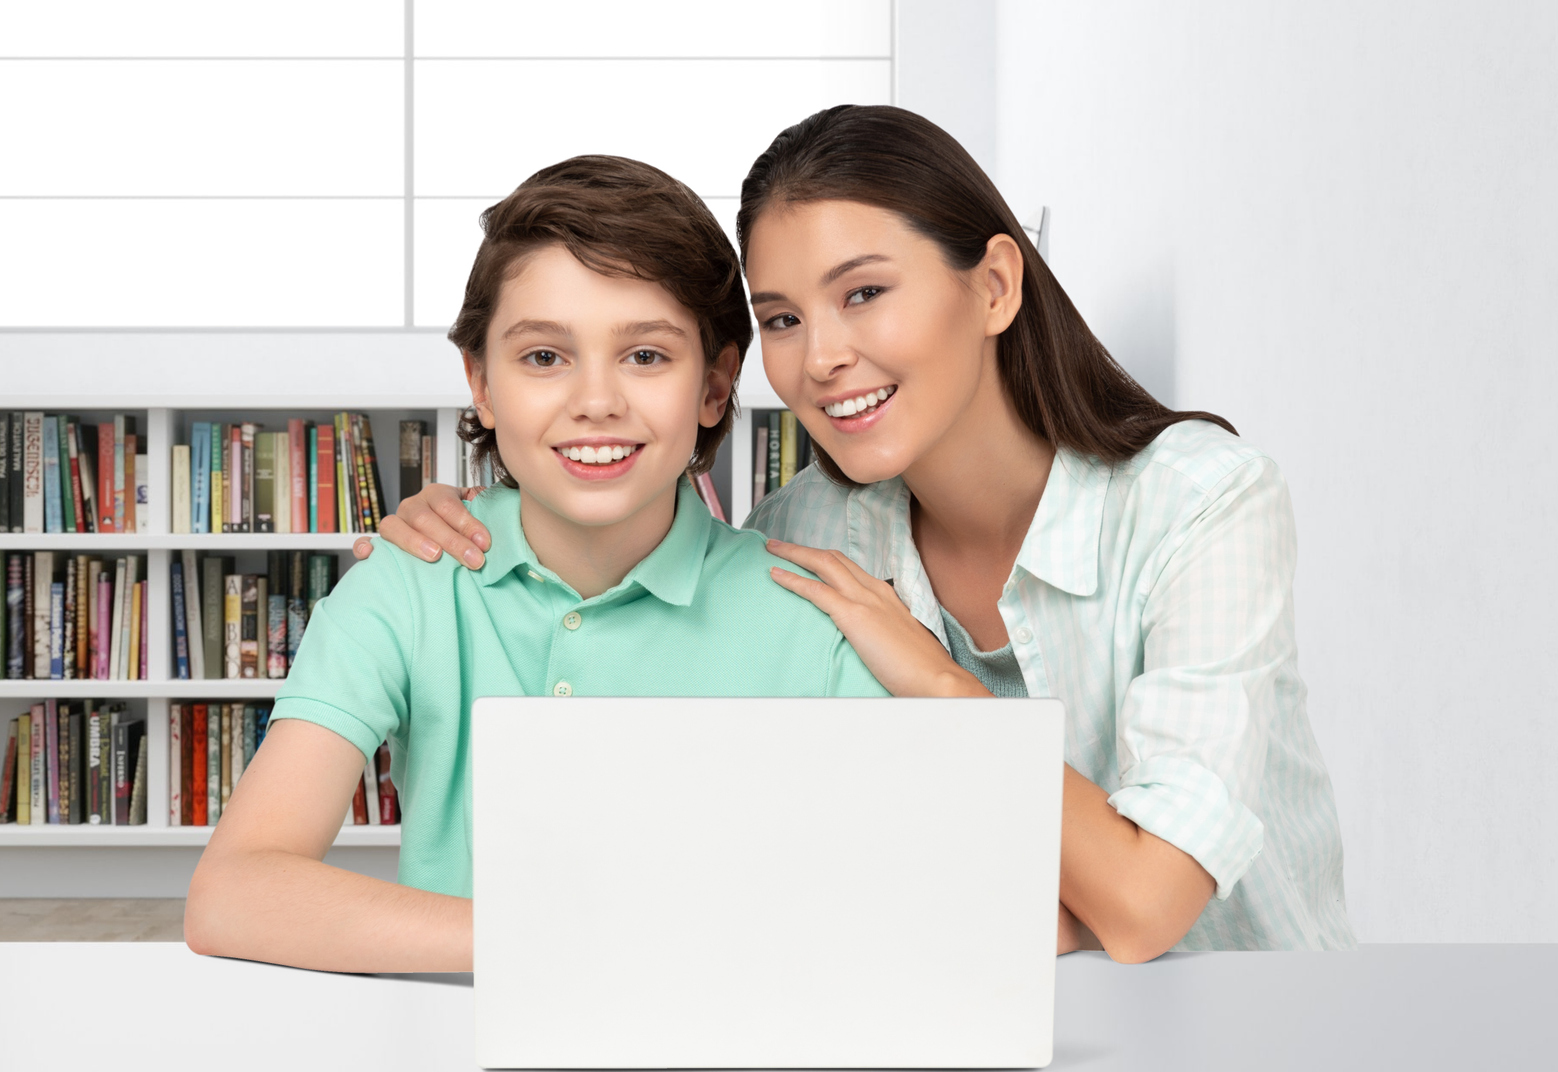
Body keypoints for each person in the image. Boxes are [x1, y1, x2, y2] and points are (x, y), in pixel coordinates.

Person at [366, 106, 1355, 959]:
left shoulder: (1202, 504)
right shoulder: (810, 532)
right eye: (784, 319)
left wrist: (937, 683)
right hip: (966, 1017)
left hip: (1245, 1011)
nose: (824, 356)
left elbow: (1144, 909)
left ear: (995, 287)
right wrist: (471, 527)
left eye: (865, 293)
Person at [184, 155, 888, 974]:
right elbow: (233, 892)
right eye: (544, 357)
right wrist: (563, 945)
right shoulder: (407, 585)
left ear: (716, 385)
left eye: (647, 357)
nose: (596, 400)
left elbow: (898, 896)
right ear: (481, 383)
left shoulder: (814, 616)